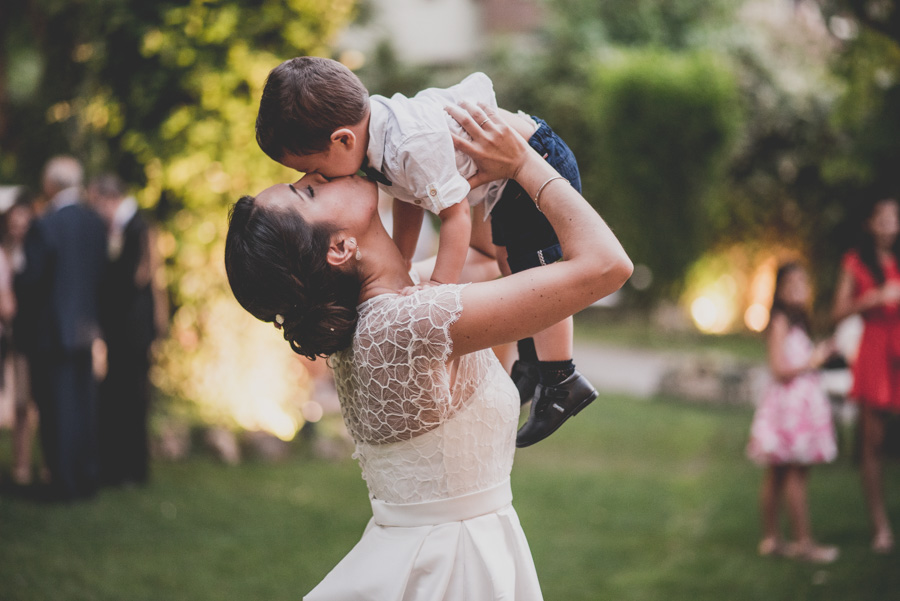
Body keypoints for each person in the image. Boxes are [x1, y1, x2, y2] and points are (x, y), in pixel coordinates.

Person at [225, 102, 632, 600]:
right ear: (339, 249)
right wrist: (525, 162)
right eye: (308, 191)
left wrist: (454, 157)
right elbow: (607, 265)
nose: (316, 173)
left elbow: (483, 262)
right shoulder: (404, 325)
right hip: (453, 571)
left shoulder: (393, 308)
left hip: (449, 552)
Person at [255, 56, 597, 447]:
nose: (317, 178)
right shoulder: (377, 140)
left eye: (315, 173)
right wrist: (401, 258)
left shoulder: (407, 144)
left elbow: (455, 218)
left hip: (538, 158)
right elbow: (410, 197)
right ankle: (534, 366)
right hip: (506, 184)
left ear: (343, 140)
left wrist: (438, 285)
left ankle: (561, 378)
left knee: (535, 270)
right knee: (512, 264)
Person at [14, 156, 108, 501]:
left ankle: (62, 484)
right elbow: (101, 275)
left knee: (56, 409)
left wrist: (16, 281)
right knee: (83, 407)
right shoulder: (94, 222)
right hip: (85, 328)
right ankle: (86, 478)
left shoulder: (46, 224)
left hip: (51, 332)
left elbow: (33, 280)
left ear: (50, 184)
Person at [746, 262, 839, 563]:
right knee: (792, 474)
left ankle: (773, 540)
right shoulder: (780, 321)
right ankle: (803, 543)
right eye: (792, 283)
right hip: (788, 409)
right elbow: (779, 368)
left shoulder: (798, 322)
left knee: (779, 474)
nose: (799, 288)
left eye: (803, 282)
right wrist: (814, 360)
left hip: (797, 406)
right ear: (780, 289)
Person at [831, 197, 900, 554]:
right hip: (874, 351)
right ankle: (880, 525)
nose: (891, 224)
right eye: (884, 218)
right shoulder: (855, 262)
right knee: (871, 444)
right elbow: (837, 313)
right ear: (870, 223)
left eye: (895, 218)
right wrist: (871, 299)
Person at [88, 173, 164, 487]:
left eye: (97, 203)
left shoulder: (136, 227)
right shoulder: (126, 226)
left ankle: (131, 470)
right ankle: (119, 467)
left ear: (110, 199)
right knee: (120, 398)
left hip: (131, 331)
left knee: (131, 399)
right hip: (124, 330)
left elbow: (139, 276)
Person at [0, 186, 37, 485]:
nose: (19, 229)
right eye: (14, 224)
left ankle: (43, 464)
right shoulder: (5, 254)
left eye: (23, 224)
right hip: (13, 338)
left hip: (34, 337)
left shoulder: (39, 253)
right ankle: (20, 465)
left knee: (38, 404)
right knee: (20, 404)